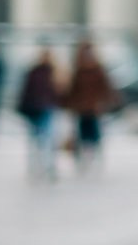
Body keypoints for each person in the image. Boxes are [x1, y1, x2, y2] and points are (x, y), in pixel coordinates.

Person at [62, 40, 119, 174]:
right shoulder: (78, 69)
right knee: (81, 135)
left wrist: (108, 101)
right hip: (81, 108)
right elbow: (72, 90)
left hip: (94, 108)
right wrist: (69, 104)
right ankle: (82, 158)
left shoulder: (98, 69)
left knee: (94, 135)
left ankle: (94, 157)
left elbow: (106, 87)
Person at [16, 46, 62, 182]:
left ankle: (48, 166)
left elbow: (61, 92)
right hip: (35, 109)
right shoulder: (35, 72)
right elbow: (26, 91)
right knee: (38, 139)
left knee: (47, 139)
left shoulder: (56, 73)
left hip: (47, 109)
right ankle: (38, 165)